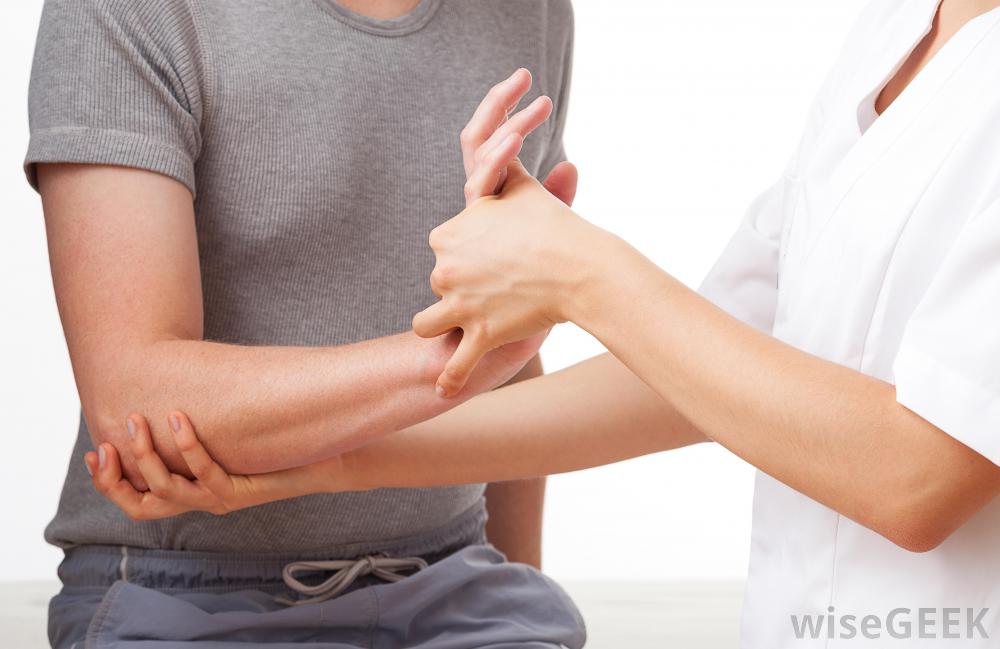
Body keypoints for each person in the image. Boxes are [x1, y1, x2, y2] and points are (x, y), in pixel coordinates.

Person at [91, 0, 1000, 646]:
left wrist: (575, 272)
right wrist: (329, 465)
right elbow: (694, 371)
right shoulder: (894, 31)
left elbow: (920, 473)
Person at [25, 0, 586, 647]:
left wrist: (516, 604)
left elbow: (512, 352)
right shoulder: (128, 12)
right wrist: (453, 359)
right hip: (183, 593)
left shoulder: (533, 12)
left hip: (454, 577)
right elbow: (138, 406)